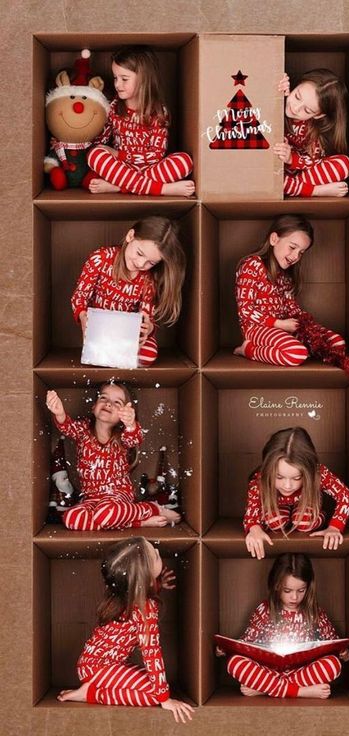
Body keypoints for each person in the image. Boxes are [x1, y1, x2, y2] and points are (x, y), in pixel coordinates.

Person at [57, 537, 194, 723]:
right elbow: (151, 652)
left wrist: (157, 584)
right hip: (99, 668)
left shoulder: (125, 594)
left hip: (99, 664)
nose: (158, 552)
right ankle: (90, 693)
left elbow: (136, 595)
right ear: (143, 577)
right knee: (156, 695)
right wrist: (165, 699)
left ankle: (92, 686)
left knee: (157, 685)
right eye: (154, 556)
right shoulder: (146, 609)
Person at [45, 381, 180, 530]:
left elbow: (134, 437)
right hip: (91, 498)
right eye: (103, 398)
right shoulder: (83, 430)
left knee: (104, 514)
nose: (108, 403)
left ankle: (153, 508)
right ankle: (137, 522)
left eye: (117, 402)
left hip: (118, 496)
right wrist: (59, 413)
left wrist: (130, 424)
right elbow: (67, 426)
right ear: (93, 406)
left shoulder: (122, 436)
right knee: (71, 518)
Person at [223, 553, 349, 698]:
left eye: (301, 591)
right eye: (287, 591)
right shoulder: (264, 610)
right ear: (276, 586)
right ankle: (299, 692)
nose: (294, 597)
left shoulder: (315, 613)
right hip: (268, 671)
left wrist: (343, 653)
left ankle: (267, 689)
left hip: (301, 673)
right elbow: (245, 644)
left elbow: (333, 642)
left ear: (309, 587)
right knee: (235, 663)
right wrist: (226, 648)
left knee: (333, 665)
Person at [71, 215, 186, 366]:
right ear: (130, 236)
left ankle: (115, 355)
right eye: (139, 253)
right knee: (97, 351)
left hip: (127, 330)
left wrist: (148, 328)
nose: (140, 263)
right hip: (100, 323)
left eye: (151, 262)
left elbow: (146, 313)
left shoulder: (149, 278)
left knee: (148, 355)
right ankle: (108, 352)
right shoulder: (100, 259)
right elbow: (80, 296)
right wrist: (83, 317)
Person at [234, 214, 345, 365]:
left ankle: (304, 347)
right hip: (257, 328)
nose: (295, 256)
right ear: (274, 239)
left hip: (284, 326)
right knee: (296, 354)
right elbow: (245, 310)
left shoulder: (285, 274)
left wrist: (307, 325)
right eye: (292, 247)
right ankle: (247, 349)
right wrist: (278, 324)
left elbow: (290, 307)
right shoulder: (252, 265)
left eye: (301, 252)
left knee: (337, 344)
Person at [87, 46, 194, 196]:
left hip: (151, 168)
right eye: (115, 78)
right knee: (95, 154)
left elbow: (157, 154)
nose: (117, 84)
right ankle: (162, 189)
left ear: (144, 79)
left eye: (124, 79)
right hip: (121, 169)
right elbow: (101, 139)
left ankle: (119, 187)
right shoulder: (113, 107)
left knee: (184, 161)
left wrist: (119, 154)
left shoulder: (158, 111)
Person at [244, 427, 349, 557]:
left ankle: (316, 515)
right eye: (279, 477)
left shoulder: (318, 474)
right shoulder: (260, 479)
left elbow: (345, 496)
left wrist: (334, 528)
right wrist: (254, 529)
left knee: (304, 522)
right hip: (275, 508)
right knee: (274, 522)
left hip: (307, 506)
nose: (287, 485)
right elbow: (252, 508)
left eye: (297, 478)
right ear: (268, 470)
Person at [274, 69, 349, 197]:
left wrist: (291, 158)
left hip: (297, 177)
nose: (295, 108)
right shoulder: (280, 101)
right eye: (297, 97)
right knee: (267, 178)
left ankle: (294, 187)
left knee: (344, 164)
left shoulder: (312, 131)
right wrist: (276, 88)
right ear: (296, 85)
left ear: (318, 115)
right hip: (268, 171)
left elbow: (313, 161)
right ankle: (315, 191)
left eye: (307, 110)